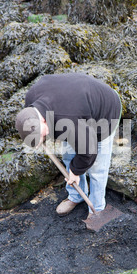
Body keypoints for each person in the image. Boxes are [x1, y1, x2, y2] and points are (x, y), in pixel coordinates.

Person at [15, 73, 122, 217]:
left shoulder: (67, 120)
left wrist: (76, 171)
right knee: (69, 156)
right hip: (77, 109)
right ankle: (76, 196)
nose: (45, 138)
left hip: (105, 112)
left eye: (42, 135)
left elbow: (89, 149)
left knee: (97, 169)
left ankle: (96, 208)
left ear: (44, 121)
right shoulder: (31, 100)